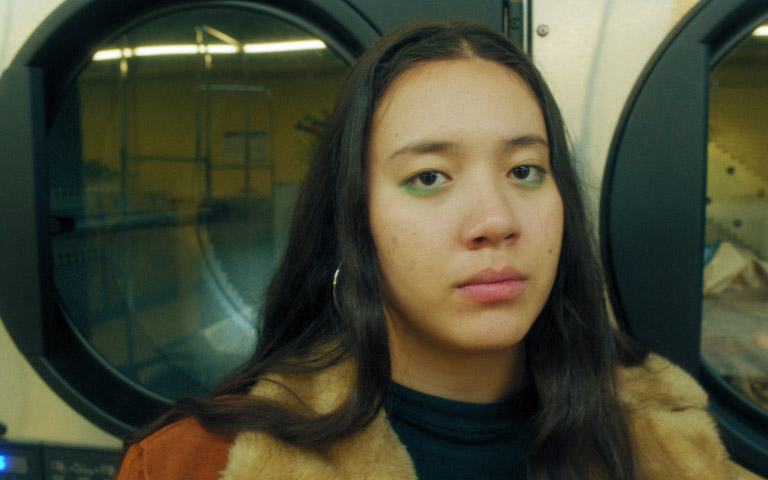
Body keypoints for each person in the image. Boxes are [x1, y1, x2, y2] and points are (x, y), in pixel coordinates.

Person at [116, 20, 733, 480]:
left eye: (524, 170)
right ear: (352, 220)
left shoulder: (671, 441)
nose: (496, 220)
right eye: (429, 177)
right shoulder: (196, 463)